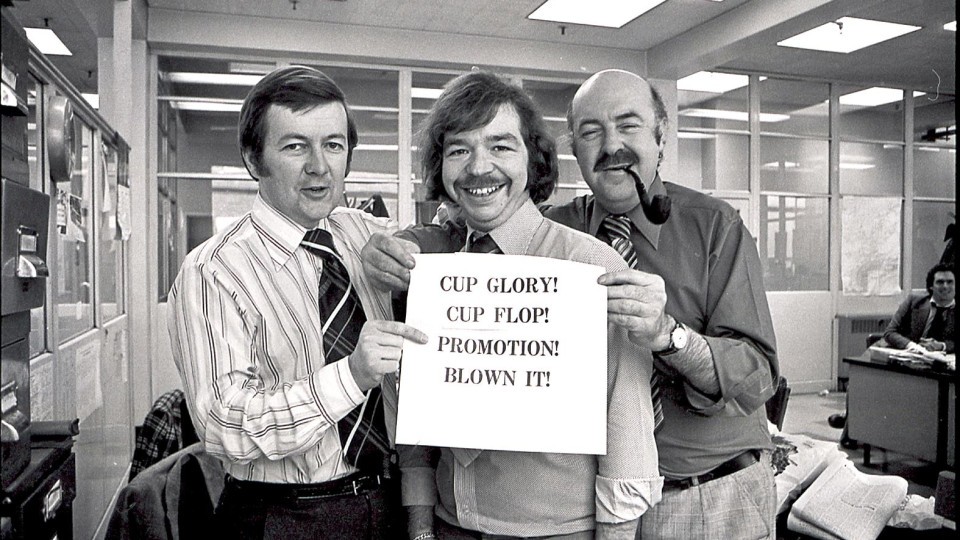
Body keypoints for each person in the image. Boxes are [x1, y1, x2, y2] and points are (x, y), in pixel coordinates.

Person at [363, 69, 780, 539]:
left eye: (629, 125)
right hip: (576, 497)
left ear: (661, 136)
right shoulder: (559, 227)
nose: (611, 145)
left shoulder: (713, 227)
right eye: (590, 132)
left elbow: (758, 375)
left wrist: (668, 335)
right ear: (570, 150)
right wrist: (385, 248)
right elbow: (466, 229)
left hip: (703, 489)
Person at [372, 71, 661, 540]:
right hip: (447, 525)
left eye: (501, 146)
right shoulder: (431, 272)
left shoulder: (589, 266)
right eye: (458, 149)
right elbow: (414, 418)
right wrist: (421, 527)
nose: (478, 168)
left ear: (534, 159)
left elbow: (626, 432)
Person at [167, 65, 427, 539]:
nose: (319, 166)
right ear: (253, 159)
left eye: (333, 144)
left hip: (386, 502)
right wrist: (349, 377)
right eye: (294, 146)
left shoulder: (364, 235)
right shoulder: (212, 271)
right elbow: (224, 424)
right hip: (283, 517)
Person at [883, 262, 955, 354]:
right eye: (940, 282)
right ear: (931, 286)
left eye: (950, 282)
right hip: (910, 356)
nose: (945, 286)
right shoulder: (914, 301)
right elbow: (890, 332)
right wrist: (914, 347)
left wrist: (942, 346)